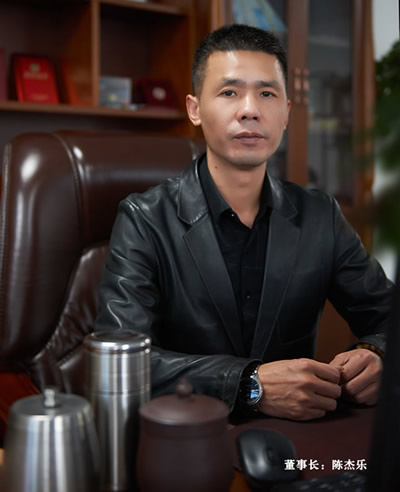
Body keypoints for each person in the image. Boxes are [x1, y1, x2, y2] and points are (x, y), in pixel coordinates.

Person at [95, 24, 394, 421]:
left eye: (267, 93)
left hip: (296, 439)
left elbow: (388, 316)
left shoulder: (321, 216)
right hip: (187, 437)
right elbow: (118, 359)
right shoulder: (145, 220)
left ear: (286, 113)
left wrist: (378, 353)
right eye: (229, 92)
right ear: (194, 109)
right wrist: (248, 384)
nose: (250, 109)